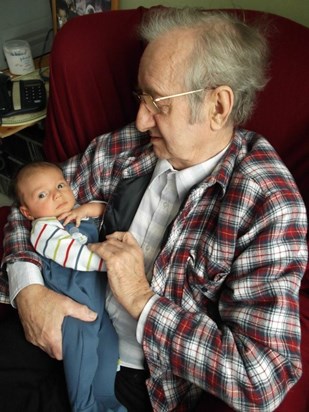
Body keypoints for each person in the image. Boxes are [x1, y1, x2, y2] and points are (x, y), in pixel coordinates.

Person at [1, 7, 308, 412]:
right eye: (140, 97)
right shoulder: (127, 146)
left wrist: (141, 298)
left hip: (136, 374)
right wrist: (28, 291)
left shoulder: (266, 200)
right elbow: (31, 207)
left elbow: (261, 378)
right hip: (56, 309)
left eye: (158, 103)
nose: (141, 120)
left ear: (218, 106)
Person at [12, 161, 125, 412]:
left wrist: (87, 208)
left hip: (98, 306)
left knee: (109, 344)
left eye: (60, 185)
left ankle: (106, 397)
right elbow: (72, 255)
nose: (57, 194)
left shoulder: (76, 212)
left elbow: (108, 211)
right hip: (73, 309)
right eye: (42, 194)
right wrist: (113, 264)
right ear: (28, 212)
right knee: (83, 355)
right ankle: (83, 404)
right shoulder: (43, 229)